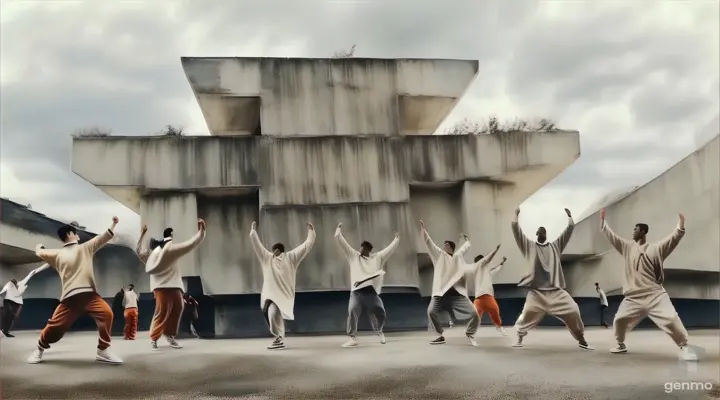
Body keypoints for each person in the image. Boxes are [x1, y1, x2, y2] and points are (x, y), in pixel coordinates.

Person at [599, 208, 697, 361]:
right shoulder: (627, 247)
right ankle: (620, 344)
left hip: (655, 294)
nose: (633, 232)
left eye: (636, 229)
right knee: (619, 320)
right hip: (633, 297)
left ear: (643, 231)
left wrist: (681, 224)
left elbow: (673, 239)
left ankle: (684, 347)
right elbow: (613, 238)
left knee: (671, 319)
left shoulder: (656, 249)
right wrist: (603, 222)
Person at [28, 217, 122, 364]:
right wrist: (114, 223)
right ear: (71, 234)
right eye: (76, 233)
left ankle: (103, 350)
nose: (78, 236)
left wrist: (39, 247)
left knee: (106, 314)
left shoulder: (81, 249)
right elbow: (103, 237)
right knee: (55, 328)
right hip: (70, 300)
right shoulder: (60, 253)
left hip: (90, 296)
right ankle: (39, 348)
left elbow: (40, 252)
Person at [511, 208, 592, 350]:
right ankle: (519, 338)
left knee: (573, 309)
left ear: (546, 235)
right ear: (536, 234)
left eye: (544, 230)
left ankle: (581, 338)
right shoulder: (529, 246)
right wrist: (516, 215)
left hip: (556, 292)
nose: (542, 231)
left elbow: (568, 231)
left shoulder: (555, 246)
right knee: (526, 315)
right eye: (539, 230)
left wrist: (570, 216)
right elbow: (517, 231)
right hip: (536, 293)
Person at [250, 221, 316, 350]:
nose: (274, 252)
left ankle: (279, 338)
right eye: (273, 251)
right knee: (271, 314)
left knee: (274, 313)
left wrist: (311, 232)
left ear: (279, 250)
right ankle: (279, 337)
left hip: (284, 293)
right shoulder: (267, 258)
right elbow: (257, 246)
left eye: (276, 250)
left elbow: (306, 246)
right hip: (270, 294)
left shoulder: (291, 258)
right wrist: (253, 232)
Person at [334, 222, 399, 348]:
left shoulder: (377, 258)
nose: (360, 250)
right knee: (352, 310)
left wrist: (396, 239)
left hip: (370, 292)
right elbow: (343, 244)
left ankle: (379, 330)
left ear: (368, 250)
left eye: (362, 249)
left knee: (381, 312)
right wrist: (338, 231)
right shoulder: (354, 256)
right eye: (360, 248)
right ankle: (352, 337)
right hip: (356, 292)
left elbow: (388, 250)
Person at [145, 219, 206, 351]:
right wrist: (202, 230)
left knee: (178, 308)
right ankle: (154, 338)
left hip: (173, 285)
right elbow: (191, 244)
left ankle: (169, 335)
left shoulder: (157, 251)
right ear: (171, 235)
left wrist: (142, 235)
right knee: (162, 311)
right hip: (163, 286)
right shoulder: (169, 249)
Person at [420, 220, 479, 346]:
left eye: (447, 245)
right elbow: (429, 244)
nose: (444, 246)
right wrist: (424, 232)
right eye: (444, 245)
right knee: (430, 312)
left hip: (456, 295)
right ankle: (440, 335)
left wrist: (468, 241)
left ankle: (470, 333)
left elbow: (464, 249)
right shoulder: (440, 256)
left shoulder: (457, 257)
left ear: (452, 248)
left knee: (474, 313)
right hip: (440, 294)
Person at [467, 245, 508, 336]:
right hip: (480, 297)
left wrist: (502, 263)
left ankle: (499, 327)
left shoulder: (487, 272)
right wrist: (495, 249)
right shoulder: (477, 268)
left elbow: (495, 270)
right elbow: (488, 258)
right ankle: (471, 331)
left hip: (487, 296)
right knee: (476, 315)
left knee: (495, 311)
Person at [1, 265, 47, 337]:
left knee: (13, 318)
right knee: (7, 315)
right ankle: (3, 330)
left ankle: (6, 331)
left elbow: (33, 272)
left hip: (17, 303)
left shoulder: (21, 283)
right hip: (9, 301)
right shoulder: (9, 286)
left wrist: (46, 265)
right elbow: (2, 292)